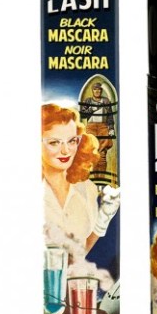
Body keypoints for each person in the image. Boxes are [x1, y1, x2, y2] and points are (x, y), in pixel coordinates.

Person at [42, 103, 120, 252]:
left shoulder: (87, 188)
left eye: (72, 141)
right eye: (54, 142)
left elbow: (80, 253)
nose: (66, 151)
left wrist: (102, 220)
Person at [80, 82, 115, 173]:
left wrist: (111, 128)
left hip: (103, 127)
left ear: (101, 91)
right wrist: (91, 109)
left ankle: (102, 178)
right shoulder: (88, 101)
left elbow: (110, 116)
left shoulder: (106, 101)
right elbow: (83, 114)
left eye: (99, 89)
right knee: (93, 153)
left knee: (102, 154)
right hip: (91, 127)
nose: (97, 91)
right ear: (92, 90)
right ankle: (94, 178)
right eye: (95, 89)